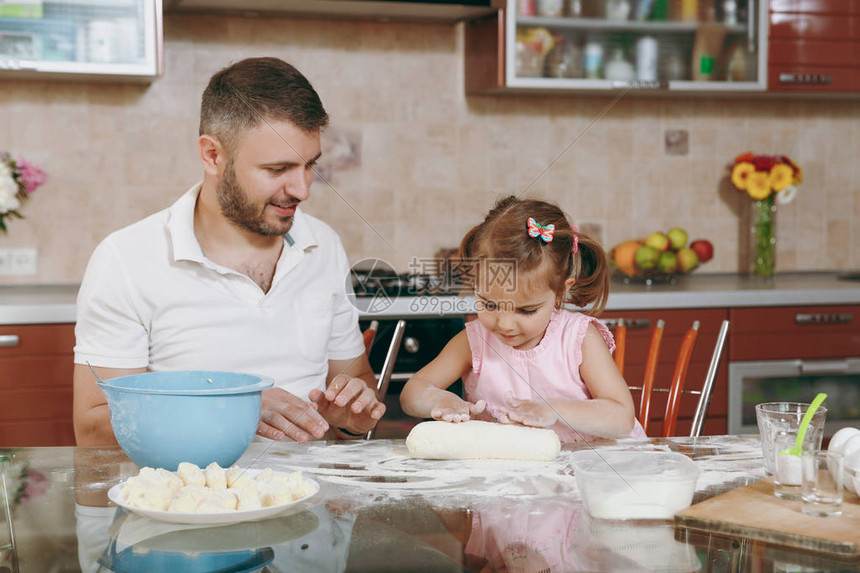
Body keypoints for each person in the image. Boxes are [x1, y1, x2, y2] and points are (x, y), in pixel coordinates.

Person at [73, 57, 384, 446]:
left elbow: (355, 381)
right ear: (212, 155)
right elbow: (93, 427)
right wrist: (231, 409)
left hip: (312, 497)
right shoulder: (126, 259)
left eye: (309, 166)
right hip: (188, 498)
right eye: (277, 169)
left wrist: (349, 411)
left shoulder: (323, 245)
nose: (303, 189)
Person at [400, 196, 645, 443]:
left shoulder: (578, 338)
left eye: (526, 311)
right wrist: (440, 400)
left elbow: (621, 419)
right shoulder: (473, 341)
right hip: (514, 474)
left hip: (588, 471)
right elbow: (412, 392)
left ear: (561, 291)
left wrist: (554, 409)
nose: (505, 324)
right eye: (490, 304)